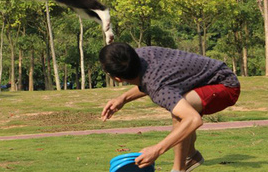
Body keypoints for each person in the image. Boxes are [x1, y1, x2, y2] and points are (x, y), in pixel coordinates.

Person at [100, 42, 240, 172]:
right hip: (210, 76)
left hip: (226, 86)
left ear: (117, 78)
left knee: (181, 113)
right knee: (181, 107)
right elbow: (150, 81)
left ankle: (179, 168)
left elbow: (193, 119)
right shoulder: (142, 54)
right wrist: (123, 98)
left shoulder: (158, 88)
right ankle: (191, 155)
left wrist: (157, 150)